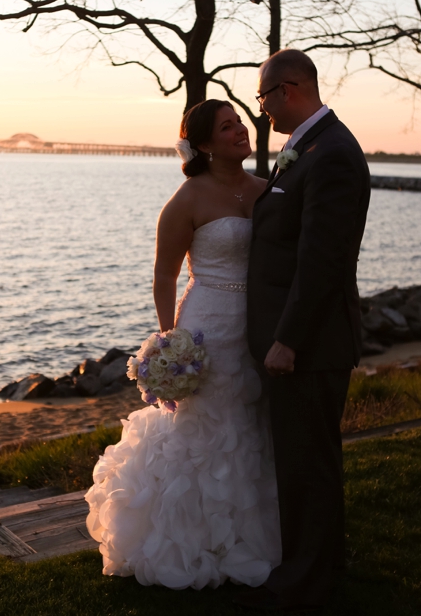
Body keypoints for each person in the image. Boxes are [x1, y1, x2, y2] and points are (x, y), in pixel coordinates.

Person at [84, 99, 281, 590]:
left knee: (252, 425)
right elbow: (164, 273)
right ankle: (194, 539)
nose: (240, 130)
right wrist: (170, 339)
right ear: (206, 144)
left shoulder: (266, 190)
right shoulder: (188, 198)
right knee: (206, 428)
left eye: (240, 122)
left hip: (255, 325)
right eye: (227, 127)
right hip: (207, 325)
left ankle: (252, 533)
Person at [237, 49, 371, 612]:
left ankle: (303, 585)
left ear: (288, 90)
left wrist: (288, 339)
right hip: (301, 341)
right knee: (311, 460)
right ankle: (322, 566)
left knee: (305, 466)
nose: (260, 108)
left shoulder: (331, 154)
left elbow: (322, 260)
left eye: (262, 97)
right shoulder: (307, 148)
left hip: (308, 345)